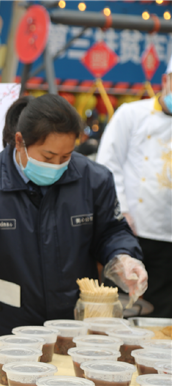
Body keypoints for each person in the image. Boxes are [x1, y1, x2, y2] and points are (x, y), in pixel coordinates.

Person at [0, 94, 147, 342]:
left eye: (66, 157)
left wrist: (124, 257)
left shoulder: (94, 179)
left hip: (74, 324)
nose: (57, 165)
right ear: (20, 142)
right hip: (6, 324)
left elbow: (111, 231)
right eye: (47, 157)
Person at [96, 56, 172, 318]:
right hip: (130, 233)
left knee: (162, 316)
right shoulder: (131, 114)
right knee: (119, 309)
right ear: (165, 81)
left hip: (168, 239)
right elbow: (107, 167)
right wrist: (122, 211)